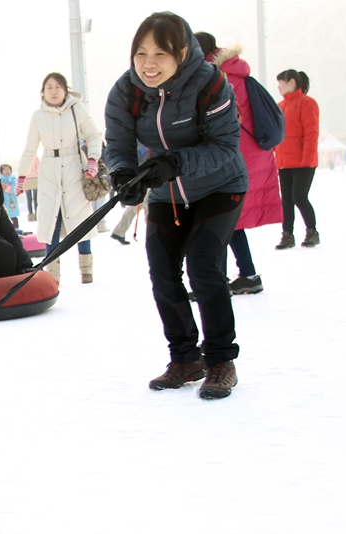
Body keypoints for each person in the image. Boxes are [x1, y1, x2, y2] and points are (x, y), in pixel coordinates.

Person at [105, 11, 248, 399]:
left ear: (182, 52)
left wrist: (176, 162)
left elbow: (225, 146)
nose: (148, 64)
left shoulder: (211, 84)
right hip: (168, 194)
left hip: (220, 186)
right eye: (141, 53)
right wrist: (122, 175)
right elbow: (117, 145)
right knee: (163, 274)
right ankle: (185, 358)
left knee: (204, 266)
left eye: (160, 54)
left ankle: (220, 361)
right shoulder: (126, 92)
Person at [195, 34, 281, 295]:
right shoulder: (237, 74)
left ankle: (216, 282)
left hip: (230, 157)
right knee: (231, 220)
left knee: (218, 218)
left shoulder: (214, 79)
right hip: (248, 155)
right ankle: (248, 275)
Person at [15, 72, 103, 284]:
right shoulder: (38, 116)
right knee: (50, 220)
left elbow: (93, 135)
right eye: (49, 87)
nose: (53, 91)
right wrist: (22, 176)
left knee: (81, 220)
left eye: (57, 87)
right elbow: (30, 149)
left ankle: (86, 270)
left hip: (74, 166)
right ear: (43, 92)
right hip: (49, 170)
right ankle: (52, 275)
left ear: (65, 89)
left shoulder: (76, 108)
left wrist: (92, 159)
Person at [273, 69, 320, 249]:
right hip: (284, 162)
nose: (279, 87)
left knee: (299, 196)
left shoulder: (307, 103)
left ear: (292, 82)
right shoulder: (280, 106)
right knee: (286, 199)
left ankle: (312, 231)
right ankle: (287, 235)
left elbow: (311, 133)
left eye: (281, 83)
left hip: (303, 161)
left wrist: (308, 159)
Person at [0, 164, 21, 229]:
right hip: (4, 199)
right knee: (4, 213)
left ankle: (16, 226)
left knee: (13, 213)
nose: (7, 171)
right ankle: (7, 227)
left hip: (11, 199)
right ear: (1, 171)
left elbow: (13, 187)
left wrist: (6, 187)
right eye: (5, 170)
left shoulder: (12, 178)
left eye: (8, 169)